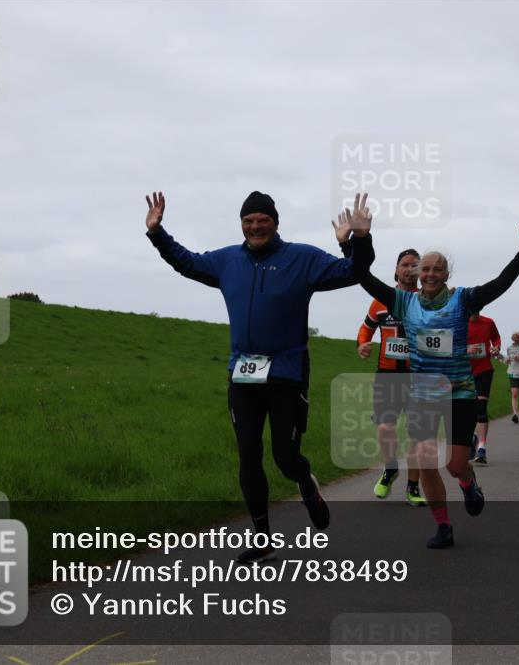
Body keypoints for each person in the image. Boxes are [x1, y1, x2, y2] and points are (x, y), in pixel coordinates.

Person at [145, 190, 375, 564]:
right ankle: (262, 536)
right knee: (248, 455)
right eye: (248, 221)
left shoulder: (301, 258)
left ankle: (305, 481)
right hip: (243, 375)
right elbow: (186, 262)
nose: (255, 226)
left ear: (275, 223)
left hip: (287, 373)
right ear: (242, 225)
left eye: (262, 220)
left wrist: (359, 241)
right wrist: (157, 233)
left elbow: (353, 272)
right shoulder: (227, 261)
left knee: (286, 457)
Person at [355, 211, 519, 549]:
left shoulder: (463, 298)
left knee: (456, 464)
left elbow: (499, 285)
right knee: (426, 462)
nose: (429, 274)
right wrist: (356, 241)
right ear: (416, 274)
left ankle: (469, 483)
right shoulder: (404, 301)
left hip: (459, 393)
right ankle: (443, 526)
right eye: (423, 269)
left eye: (436, 269)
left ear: (446, 274)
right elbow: (365, 279)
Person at [357, 249, 427, 506]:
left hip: (419, 375)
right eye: (405, 265)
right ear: (396, 269)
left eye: (415, 265)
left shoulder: (428, 300)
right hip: (387, 374)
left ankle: (413, 487)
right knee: (385, 427)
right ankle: (390, 467)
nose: (410, 269)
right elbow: (366, 329)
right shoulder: (380, 301)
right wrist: (362, 345)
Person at [467, 312, 501, 464]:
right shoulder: (459, 321)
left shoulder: (488, 322)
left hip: (484, 370)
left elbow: (496, 337)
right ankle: (471, 438)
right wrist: (464, 350)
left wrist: (496, 347)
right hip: (463, 371)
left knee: (481, 408)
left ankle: (482, 448)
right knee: (467, 410)